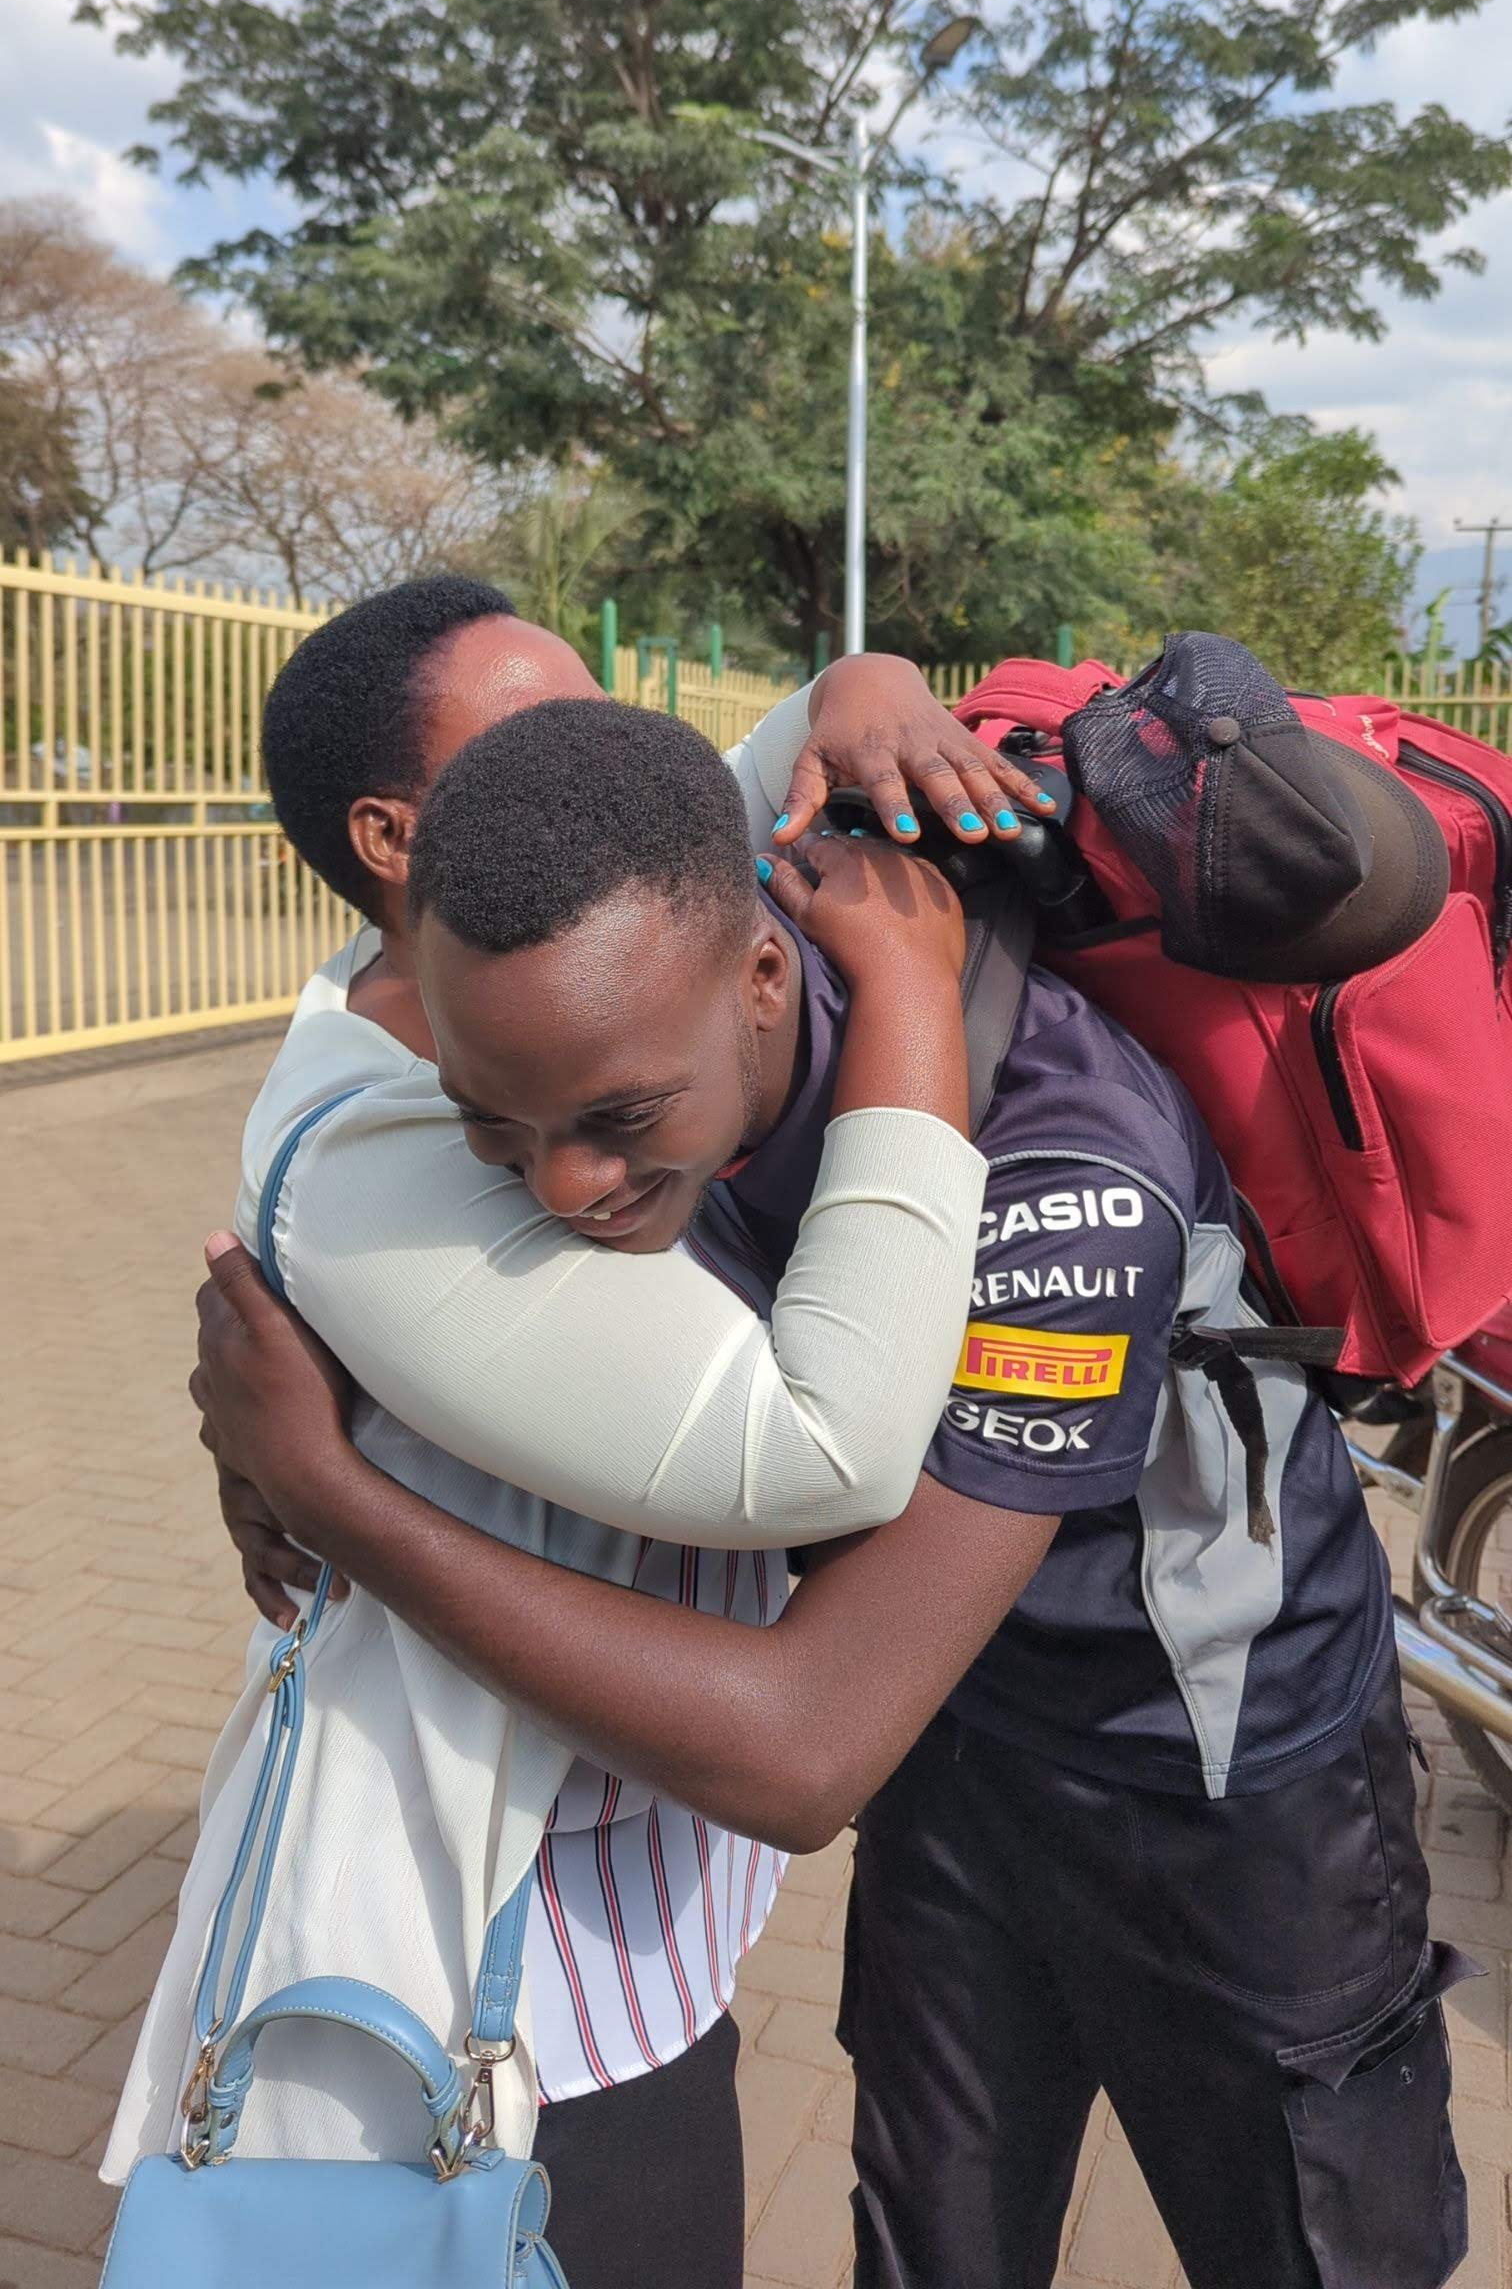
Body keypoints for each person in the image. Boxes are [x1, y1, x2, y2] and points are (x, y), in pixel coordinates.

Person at [195, 694, 1471, 2289]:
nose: (563, 1188)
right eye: (491, 1125)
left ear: (761, 979)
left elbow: (804, 1750)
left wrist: (336, 1495)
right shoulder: (642, 1015)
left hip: (1218, 1784)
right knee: (933, 2241)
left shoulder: (1066, 1175)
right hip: (958, 1748)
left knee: (1308, 2242)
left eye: (617, 1124)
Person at [109, 574, 1048, 2289]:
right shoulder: (384, 1145)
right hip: (513, 1984)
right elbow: (823, 1449)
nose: (612, 766)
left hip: (633, 1895)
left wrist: (863, 673)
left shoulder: (517, 973)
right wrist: (911, 993)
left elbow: (723, 787)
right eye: (539, 739)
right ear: (400, 838)